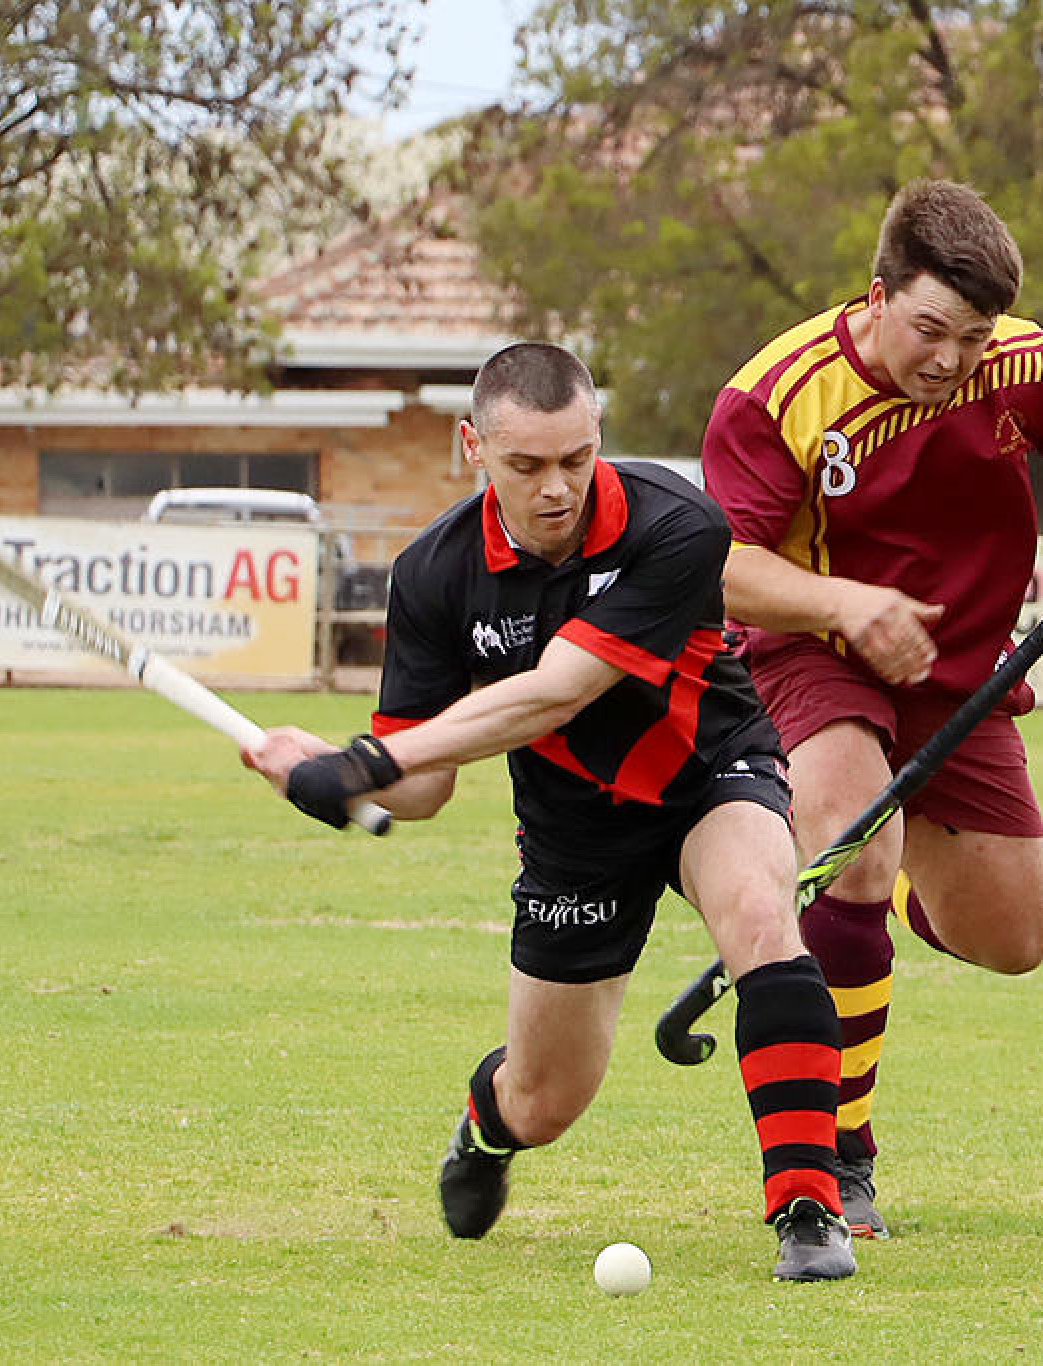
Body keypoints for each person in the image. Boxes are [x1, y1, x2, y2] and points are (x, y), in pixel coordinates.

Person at [242, 342, 857, 1282]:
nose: (558, 488)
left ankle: (810, 1208)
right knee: (546, 1100)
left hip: (709, 772)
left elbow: (558, 691)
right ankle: (488, 1130)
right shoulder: (435, 574)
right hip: (574, 830)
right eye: (526, 465)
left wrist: (366, 761)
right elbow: (425, 788)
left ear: (598, 434)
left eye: (576, 457)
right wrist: (328, 776)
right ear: (473, 448)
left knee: (761, 914)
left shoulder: (678, 525)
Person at [699, 180, 1043, 1239]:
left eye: (972, 337)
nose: (950, 360)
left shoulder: (1024, 366)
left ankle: (881, 888)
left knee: (1014, 939)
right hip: (815, 648)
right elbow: (725, 569)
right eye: (929, 329)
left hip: (960, 673)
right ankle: (838, 1152)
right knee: (854, 840)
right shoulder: (776, 395)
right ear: (877, 295)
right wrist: (845, 604)